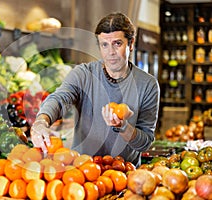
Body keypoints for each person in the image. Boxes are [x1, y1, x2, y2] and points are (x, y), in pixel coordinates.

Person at [30, 12, 160, 167]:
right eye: (104, 44)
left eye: (117, 44)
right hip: (82, 173)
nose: (110, 52)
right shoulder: (83, 74)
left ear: (131, 44)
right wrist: (41, 121)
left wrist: (123, 127)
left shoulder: (148, 85)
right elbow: (59, 98)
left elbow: (144, 143)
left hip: (125, 177)